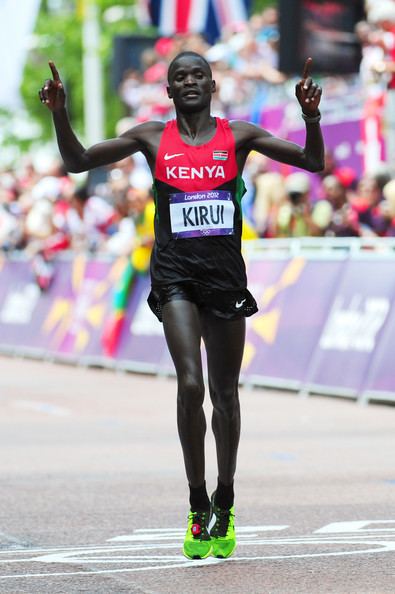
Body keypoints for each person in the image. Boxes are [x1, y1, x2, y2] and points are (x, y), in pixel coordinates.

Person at [39, 52, 323, 560]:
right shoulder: (151, 137)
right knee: (191, 384)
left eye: (197, 75)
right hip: (174, 277)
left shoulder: (239, 136)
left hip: (224, 275)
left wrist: (311, 118)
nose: (189, 81)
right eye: (179, 77)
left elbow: (312, 162)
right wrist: (60, 112)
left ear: (213, 84)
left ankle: (226, 498)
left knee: (225, 395)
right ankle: (196, 505)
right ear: (168, 91)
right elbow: (78, 162)